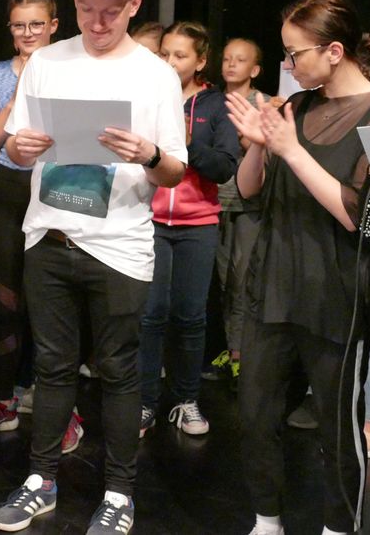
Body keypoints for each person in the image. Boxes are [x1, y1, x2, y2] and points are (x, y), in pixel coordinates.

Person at [0, 0, 187, 535]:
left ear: (134, 5)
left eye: (110, 11)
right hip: (50, 235)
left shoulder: (155, 74)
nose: (97, 23)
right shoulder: (46, 61)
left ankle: (120, 492)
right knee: (52, 367)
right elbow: (15, 144)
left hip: (119, 245)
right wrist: (21, 147)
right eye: (85, 9)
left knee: (119, 372)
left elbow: (174, 170)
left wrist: (148, 154)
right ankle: (41, 479)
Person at [226, 0, 370, 535]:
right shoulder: (295, 107)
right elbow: (248, 191)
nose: (289, 64)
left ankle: (338, 527)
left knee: (337, 428)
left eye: (295, 54)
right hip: (273, 285)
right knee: (255, 416)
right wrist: (259, 145)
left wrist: (291, 150)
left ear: (334, 51)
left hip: (335, 295)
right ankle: (267, 519)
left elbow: (358, 216)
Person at [0, 0, 82, 451]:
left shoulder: (74, 68)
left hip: (59, 188)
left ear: (54, 25)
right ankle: (3, 399)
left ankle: (63, 410)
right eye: (19, 25)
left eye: (36, 24)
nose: (28, 32)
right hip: (11, 193)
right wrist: (19, 98)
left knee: (56, 306)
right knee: (4, 303)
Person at [139, 22, 238, 437]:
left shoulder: (217, 105)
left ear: (200, 62)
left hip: (198, 224)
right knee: (151, 315)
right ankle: (145, 402)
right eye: (164, 53)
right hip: (149, 221)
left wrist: (184, 141)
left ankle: (186, 399)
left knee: (190, 316)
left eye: (180, 55)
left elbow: (224, 166)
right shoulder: (144, 96)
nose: (169, 62)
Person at [210, 38, 268, 385]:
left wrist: (251, 133)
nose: (231, 65)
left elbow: (264, 150)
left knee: (243, 279)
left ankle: (240, 354)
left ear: (255, 69)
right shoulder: (211, 101)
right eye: (227, 58)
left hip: (248, 204)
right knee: (222, 282)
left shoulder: (262, 103)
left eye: (241, 60)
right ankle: (229, 347)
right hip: (215, 201)